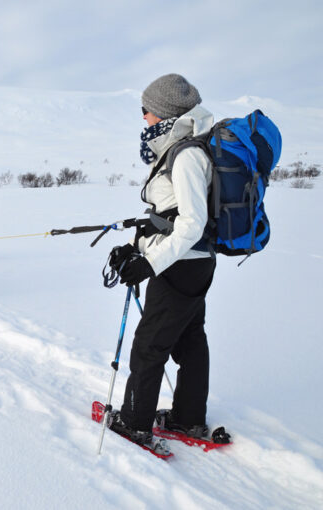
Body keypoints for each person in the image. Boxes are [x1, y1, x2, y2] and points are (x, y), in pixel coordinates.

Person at [107, 74, 218, 446]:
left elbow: (191, 223)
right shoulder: (183, 148)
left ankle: (134, 422)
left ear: (167, 113)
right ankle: (188, 419)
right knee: (189, 339)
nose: (144, 118)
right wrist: (136, 246)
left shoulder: (187, 155)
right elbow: (168, 216)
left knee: (150, 344)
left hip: (180, 265)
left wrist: (150, 263)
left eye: (147, 111)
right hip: (193, 263)